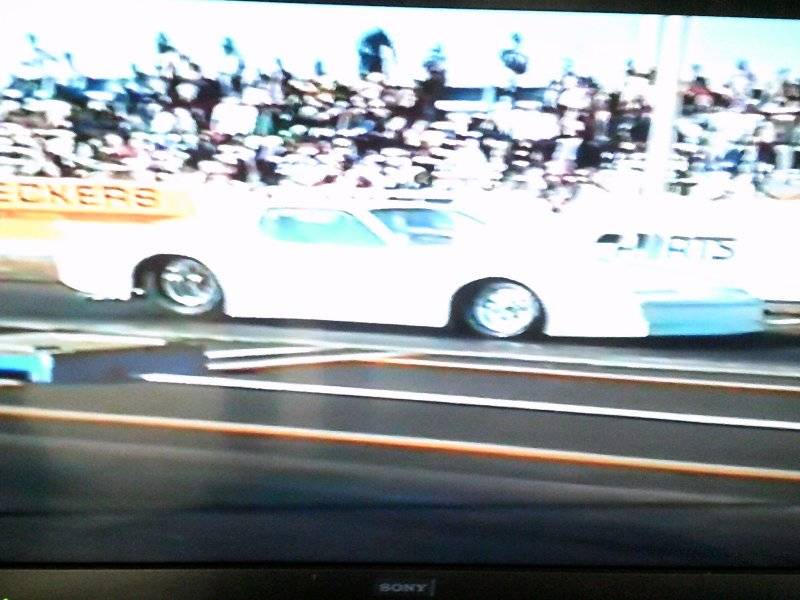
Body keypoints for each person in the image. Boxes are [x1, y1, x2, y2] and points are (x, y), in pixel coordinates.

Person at [499, 33, 528, 99]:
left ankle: (511, 87)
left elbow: (524, 58)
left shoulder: (517, 51)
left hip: (519, 67)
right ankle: (511, 87)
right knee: (512, 73)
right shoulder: (511, 52)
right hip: (517, 66)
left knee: (512, 72)